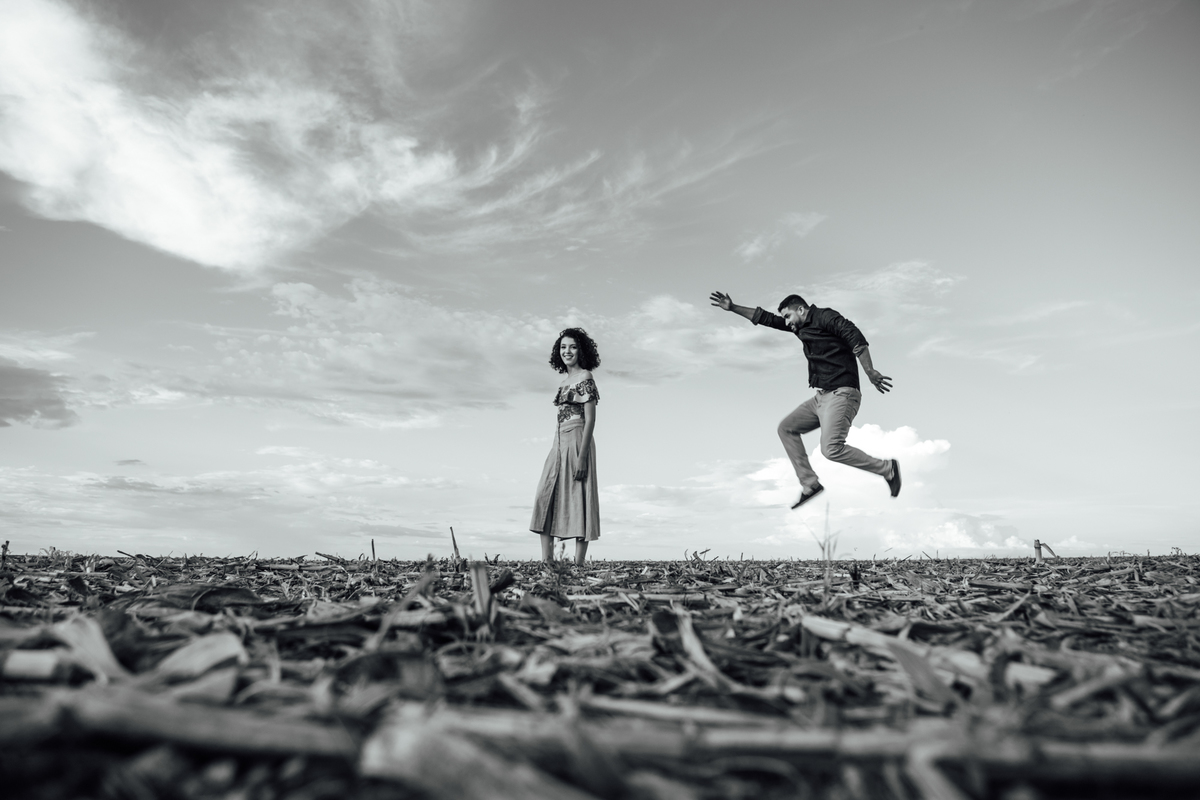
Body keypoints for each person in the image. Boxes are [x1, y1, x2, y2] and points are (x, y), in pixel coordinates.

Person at [709, 290, 901, 508]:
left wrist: (870, 371)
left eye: (788, 316)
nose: (787, 322)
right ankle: (810, 484)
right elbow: (767, 319)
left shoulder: (825, 317)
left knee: (831, 449)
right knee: (786, 428)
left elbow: (854, 336)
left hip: (842, 394)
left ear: (801, 309)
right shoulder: (799, 326)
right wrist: (733, 307)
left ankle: (888, 469)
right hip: (822, 396)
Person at [530, 327, 601, 564]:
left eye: (572, 347)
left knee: (580, 495)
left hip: (578, 438)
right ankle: (547, 561)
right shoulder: (563, 383)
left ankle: (578, 563)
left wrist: (582, 456)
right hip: (558, 441)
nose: (567, 351)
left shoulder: (585, 376)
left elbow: (590, 419)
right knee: (544, 494)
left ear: (581, 350)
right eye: (563, 347)